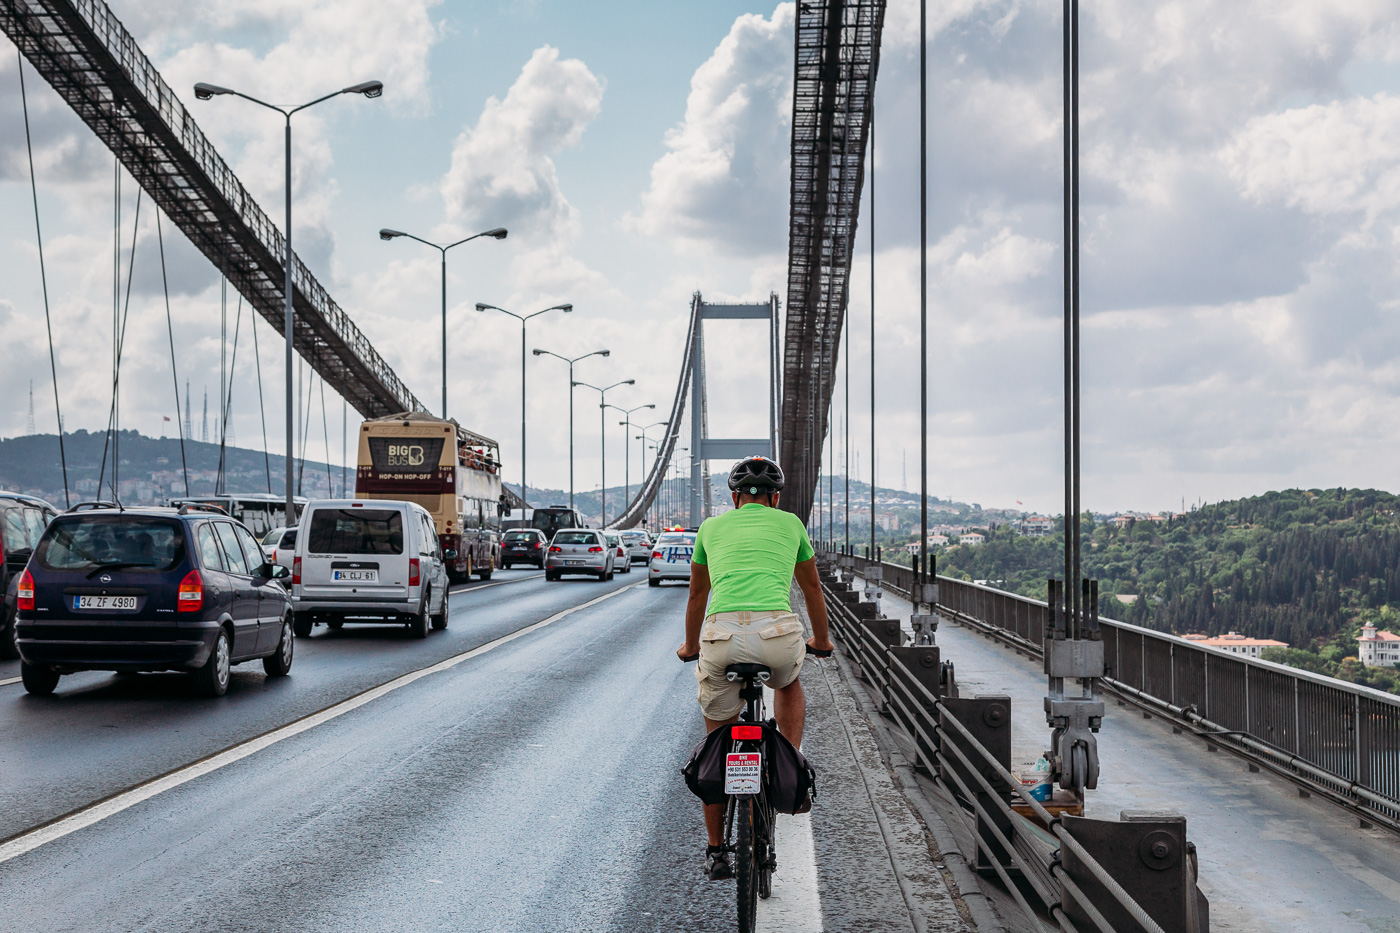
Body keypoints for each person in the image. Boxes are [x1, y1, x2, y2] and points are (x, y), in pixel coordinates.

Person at [676, 455, 835, 880]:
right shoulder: (791, 525)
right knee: (788, 681)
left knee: (717, 746)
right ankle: (791, 763)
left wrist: (690, 646)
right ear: (776, 498)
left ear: (734, 499)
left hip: (720, 637)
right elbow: (812, 586)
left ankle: (715, 851)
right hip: (776, 634)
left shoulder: (710, 528)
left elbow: (696, 596)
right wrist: (820, 641)